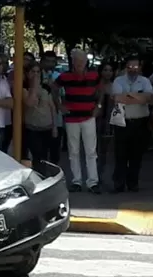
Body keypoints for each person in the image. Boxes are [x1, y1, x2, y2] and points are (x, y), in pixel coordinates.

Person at [52, 49, 101, 193]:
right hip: (72, 117)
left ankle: (93, 182)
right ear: (73, 62)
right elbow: (54, 88)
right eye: (77, 61)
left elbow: (101, 91)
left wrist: (98, 106)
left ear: (86, 61)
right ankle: (77, 181)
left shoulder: (94, 75)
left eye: (82, 61)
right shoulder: (65, 76)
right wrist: (59, 105)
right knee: (74, 151)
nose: (79, 63)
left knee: (91, 151)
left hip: (88, 117)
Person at [110, 55, 153, 193]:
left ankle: (133, 183)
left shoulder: (145, 81)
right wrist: (139, 96)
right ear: (126, 67)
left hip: (140, 122)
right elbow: (117, 99)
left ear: (140, 67)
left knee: (137, 155)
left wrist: (128, 95)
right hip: (122, 122)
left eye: (136, 66)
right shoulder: (118, 80)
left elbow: (149, 98)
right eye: (130, 66)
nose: (133, 69)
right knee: (120, 155)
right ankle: (119, 183)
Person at [23, 63, 57, 166]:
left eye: (38, 72)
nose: (36, 74)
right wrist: (34, 86)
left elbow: (52, 107)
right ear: (28, 74)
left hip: (47, 128)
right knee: (37, 156)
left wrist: (55, 127)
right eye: (33, 71)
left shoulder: (46, 89)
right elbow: (30, 102)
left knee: (45, 157)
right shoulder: (24, 89)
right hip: (33, 129)